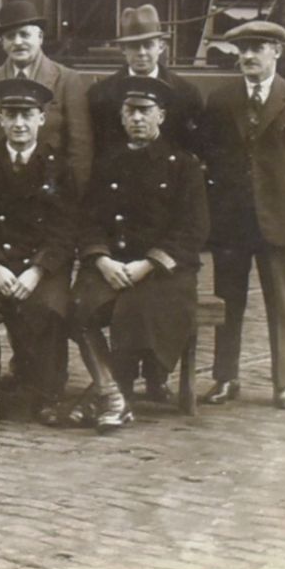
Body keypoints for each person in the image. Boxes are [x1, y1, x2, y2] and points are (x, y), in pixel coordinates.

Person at [69, 76, 209, 433]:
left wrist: (147, 264)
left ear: (161, 116)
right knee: (78, 306)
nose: (137, 118)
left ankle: (106, 396)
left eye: (145, 111)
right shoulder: (108, 162)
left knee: (133, 310)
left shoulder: (183, 165)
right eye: (130, 111)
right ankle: (111, 393)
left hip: (162, 272)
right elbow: (88, 221)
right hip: (113, 265)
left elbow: (192, 230)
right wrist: (102, 259)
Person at [198, 19, 285, 409]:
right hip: (232, 220)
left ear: (276, 52)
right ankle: (225, 378)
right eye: (242, 49)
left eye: (258, 48)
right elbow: (211, 158)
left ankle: (284, 384)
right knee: (227, 301)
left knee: (283, 304)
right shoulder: (220, 100)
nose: (248, 55)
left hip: (281, 219)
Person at [0, 77, 77, 425]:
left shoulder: (58, 167)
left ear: (41, 119)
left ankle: (47, 395)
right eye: (11, 115)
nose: (19, 124)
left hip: (40, 264)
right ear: (0, 119)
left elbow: (65, 228)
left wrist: (38, 269)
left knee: (49, 306)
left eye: (27, 115)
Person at [0, 0, 93, 192]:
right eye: (10, 36)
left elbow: (80, 147)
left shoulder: (66, 80)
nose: (17, 42)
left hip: (50, 189)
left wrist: (73, 195)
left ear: (40, 37)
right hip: (0, 189)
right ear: (2, 42)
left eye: (24, 34)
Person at [87, 4, 204, 157]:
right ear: (123, 49)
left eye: (148, 45)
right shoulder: (101, 94)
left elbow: (195, 147)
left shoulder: (186, 93)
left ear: (161, 46)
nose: (141, 53)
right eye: (134, 46)